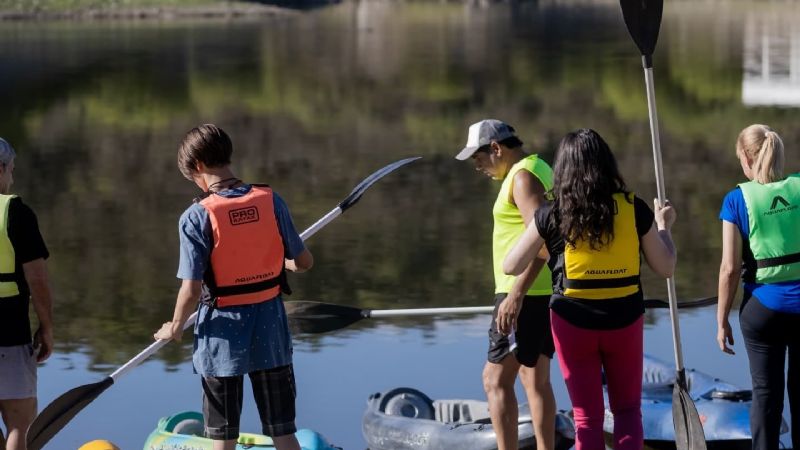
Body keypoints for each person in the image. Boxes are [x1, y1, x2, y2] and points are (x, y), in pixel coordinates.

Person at [503, 129, 677, 450]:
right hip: (624, 319)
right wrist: (664, 227)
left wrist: (537, 228)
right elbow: (665, 266)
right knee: (627, 410)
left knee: (586, 418)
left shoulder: (552, 214)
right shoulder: (634, 208)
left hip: (572, 323)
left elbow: (510, 266)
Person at [154, 124, 313, 450]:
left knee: (222, 437)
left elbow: (192, 289)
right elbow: (304, 262)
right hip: (271, 333)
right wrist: (282, 263)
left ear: (198, 166)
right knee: (282, 432)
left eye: (193, 177)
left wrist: (174, 327)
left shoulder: (195, 217)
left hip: (220, 340)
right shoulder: (271, 200)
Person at [455, 119, 556, 450]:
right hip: (544, 293)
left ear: (496, 148)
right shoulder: (539, 167)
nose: (477, 166)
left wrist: (515, 295)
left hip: (523, 294)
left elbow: (543, 243)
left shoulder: (522, 178)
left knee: (494, 380)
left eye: (478, 157)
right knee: (534, 379)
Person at [717, 124, 799, 450]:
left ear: (747, 160)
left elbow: (728, 269)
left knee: (766, 396)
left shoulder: (737, 200)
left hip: (764, 310)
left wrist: (721, 319)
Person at [0, 137, 54, 450]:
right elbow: (38, 282)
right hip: (10, 332)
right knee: (20, 424)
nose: (13, 178)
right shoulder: (16, 212)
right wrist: (46, 329)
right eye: (11, 170)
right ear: (1, 169)